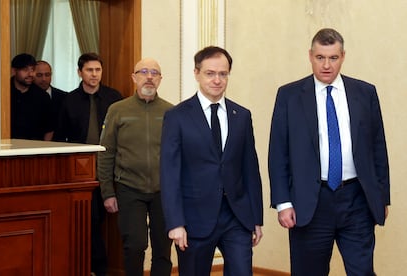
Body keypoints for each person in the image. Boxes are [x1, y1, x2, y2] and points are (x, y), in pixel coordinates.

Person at [268, 28, 390, 276]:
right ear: (310, 56)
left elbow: (378, 147)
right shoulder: (289, 95)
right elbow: (278, 152)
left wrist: (382, 195)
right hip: (310, 202)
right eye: (320, 57)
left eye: (333, 58)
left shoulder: (365, 93)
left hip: (357, 199)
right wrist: (283, 203)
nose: (326, 65)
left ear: (343, 56)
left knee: (362, 271)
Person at [160, 46, 264, 276]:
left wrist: (256, 218)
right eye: (210, 73)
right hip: (194, 219)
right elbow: (169, 173)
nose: (217, 80)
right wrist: (175, 222)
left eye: (223, 74)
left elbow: (250, 169)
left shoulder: (242, 115)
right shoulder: (177, 116)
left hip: (236, 217)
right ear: (196, 73)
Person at [98, 58, 173, 276]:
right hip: (129, 189)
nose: (149, 76)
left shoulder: (171, 112)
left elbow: (179, 156)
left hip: (163, 192)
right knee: (135, 245)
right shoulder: (117, 110)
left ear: (160, 79)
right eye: (143, 72)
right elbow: (106, 153)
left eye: (155, 73)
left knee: (163, 248)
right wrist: (107, 192)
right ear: (134, 77)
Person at [54, 52, 122, 276]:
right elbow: (60, 136)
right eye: (89, 70)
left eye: (98, 70)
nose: (94, 75)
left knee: (110, 218)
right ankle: (95, 268)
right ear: (79, 72)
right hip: (80, 168)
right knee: (89, 219)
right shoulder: (69, 100)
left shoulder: (114, 97)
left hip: (111, 165)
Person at [10, 53, 53, 140]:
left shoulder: (42, 96)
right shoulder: (2, 93)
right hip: (6, 148)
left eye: (32, 70)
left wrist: (44, 150)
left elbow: (49, 129)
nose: (30, 74)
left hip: (35, 148)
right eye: (25, 70)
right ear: (14, 71)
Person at [33, 60, 68, 130]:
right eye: (39, 75)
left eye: (47, 75)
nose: (44, 79)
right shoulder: (25, 96)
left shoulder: (65, 97)